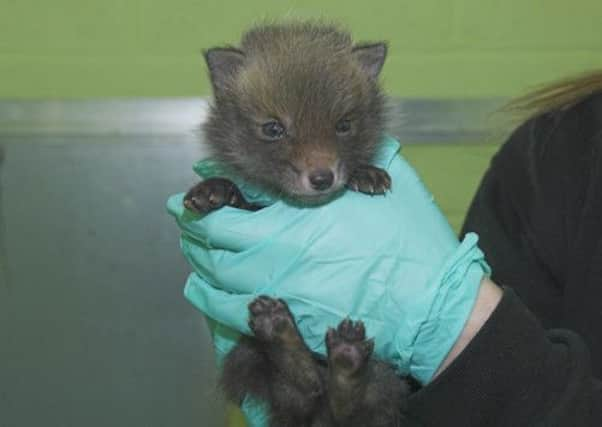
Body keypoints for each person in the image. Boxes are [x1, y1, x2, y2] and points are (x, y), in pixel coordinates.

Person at [168, 72, 602, 426]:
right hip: (298, 376)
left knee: (372, 384)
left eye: (340, 126)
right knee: (260, 362)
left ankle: (337, 378)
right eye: (277, 130)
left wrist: (457, 327)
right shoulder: (560, 146)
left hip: (358, 383)